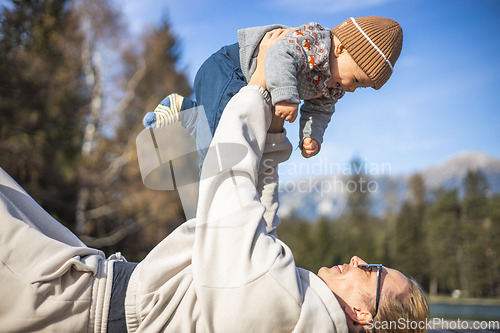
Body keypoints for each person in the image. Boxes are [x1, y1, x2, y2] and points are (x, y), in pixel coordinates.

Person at [0, 32, 428, 333]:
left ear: (362, 314)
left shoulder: (287, 310)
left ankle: (178, 129)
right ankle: (177, 129)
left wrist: (258, 94)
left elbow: (229, 195)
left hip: (70, 302)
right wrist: (276, 137)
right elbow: (258, 220)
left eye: (371, 270)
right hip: (88, 288)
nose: (357, 258)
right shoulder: (300, 311)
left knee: (208, 177)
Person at [143, 16, 403, 162]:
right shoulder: (315, 42)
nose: (352, 89)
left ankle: (188, 110)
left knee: (230, 134)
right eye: (357, 79)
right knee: (217, 149)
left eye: (362, 87)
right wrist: (287, 97)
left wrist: (311, 136)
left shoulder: (334, 86)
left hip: (248, 85)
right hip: (231, 70)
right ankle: (210, 199)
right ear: (342, 48)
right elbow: (279, 55)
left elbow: (321, 111)